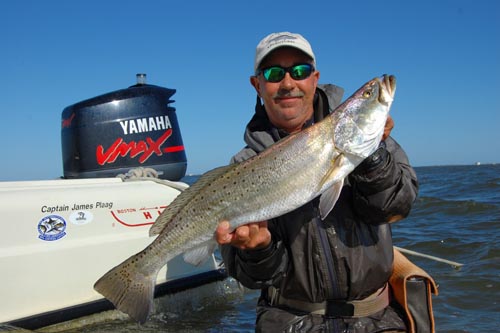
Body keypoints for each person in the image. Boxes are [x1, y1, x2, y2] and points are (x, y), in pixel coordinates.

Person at [215, 32, 419, 332]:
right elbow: (251, 279)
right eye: (273, 73)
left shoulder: (368, 139)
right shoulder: (240, 168)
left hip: (377, 321)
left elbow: (398, 206)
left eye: (300, 71)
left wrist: (372, 156)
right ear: (257, 85)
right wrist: (258, 250)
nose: (288, 83)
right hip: (289, 323)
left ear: (315, 77)